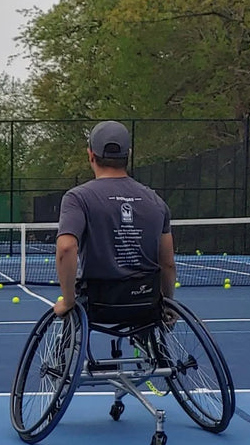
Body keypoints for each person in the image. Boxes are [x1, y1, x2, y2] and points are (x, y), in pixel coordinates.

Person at [53, 120, 176, 318]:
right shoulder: (156, 201)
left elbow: (66, 247)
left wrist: (68, 301)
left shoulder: (77, 198)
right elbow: (167, 262)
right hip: (146, 300)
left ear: (91, 155)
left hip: (97, 301)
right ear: (128, 154)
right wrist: (168, 304)